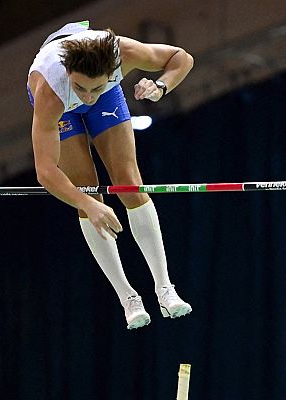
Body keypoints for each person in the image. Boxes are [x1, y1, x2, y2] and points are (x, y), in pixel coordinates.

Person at [27, 21, 194, 330]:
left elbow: (181, 58)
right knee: (86, 193)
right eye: (81, 87)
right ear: (68, 75)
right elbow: (45, 171)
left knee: (129, 184)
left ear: (113, 71)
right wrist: (89, 205)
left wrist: (161, 86)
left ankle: (164, 288)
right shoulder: (49, 90)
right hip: (63, 110)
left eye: (96, 87)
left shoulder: (124, 53)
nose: (88, 96)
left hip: (109, 98)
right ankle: (128, 297)